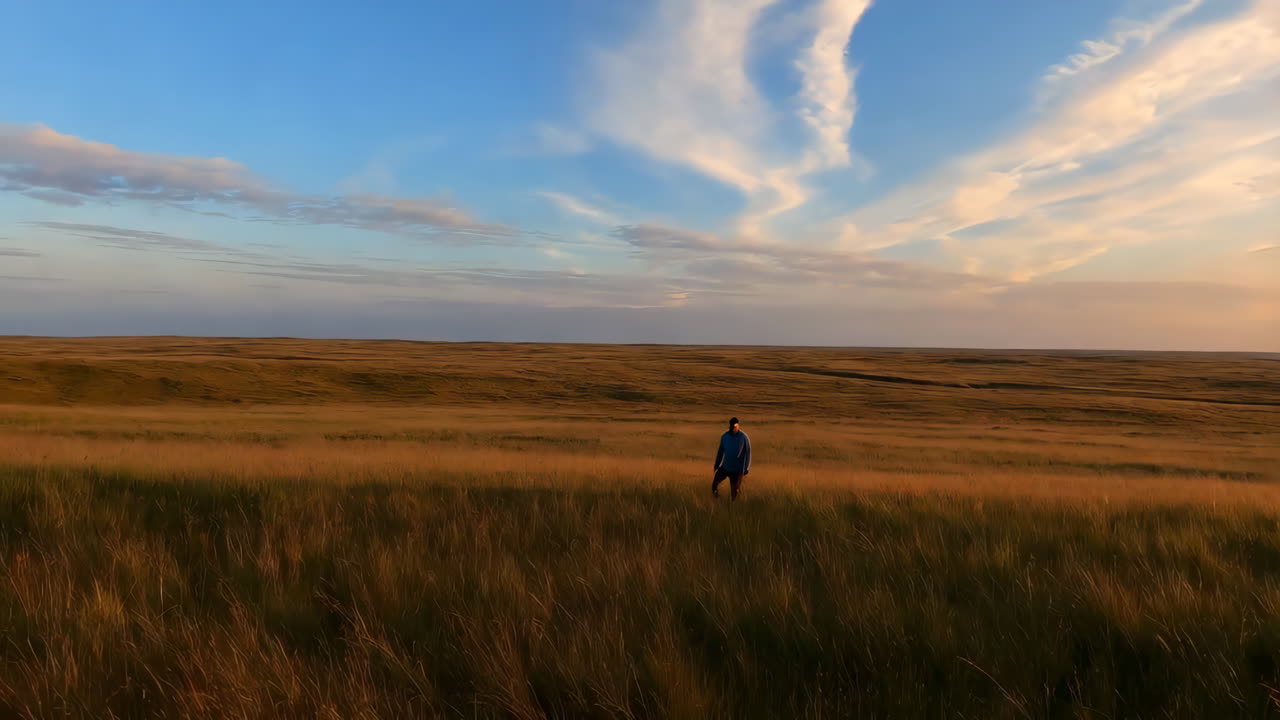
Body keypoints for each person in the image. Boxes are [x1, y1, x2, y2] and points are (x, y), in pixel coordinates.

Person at [712, 417, 751, 501]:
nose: (733, 429)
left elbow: (748, 454)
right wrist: (717, 464)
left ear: (738, 426)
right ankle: (718, 501)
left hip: (737, 470)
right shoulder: (725, 436)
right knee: (714, 485)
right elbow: (720, 451)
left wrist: (746, 468)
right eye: (731, 427)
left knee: (735, 493)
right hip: (725, 467)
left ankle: (733, 507)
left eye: (735, 427)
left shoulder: (744, 438)